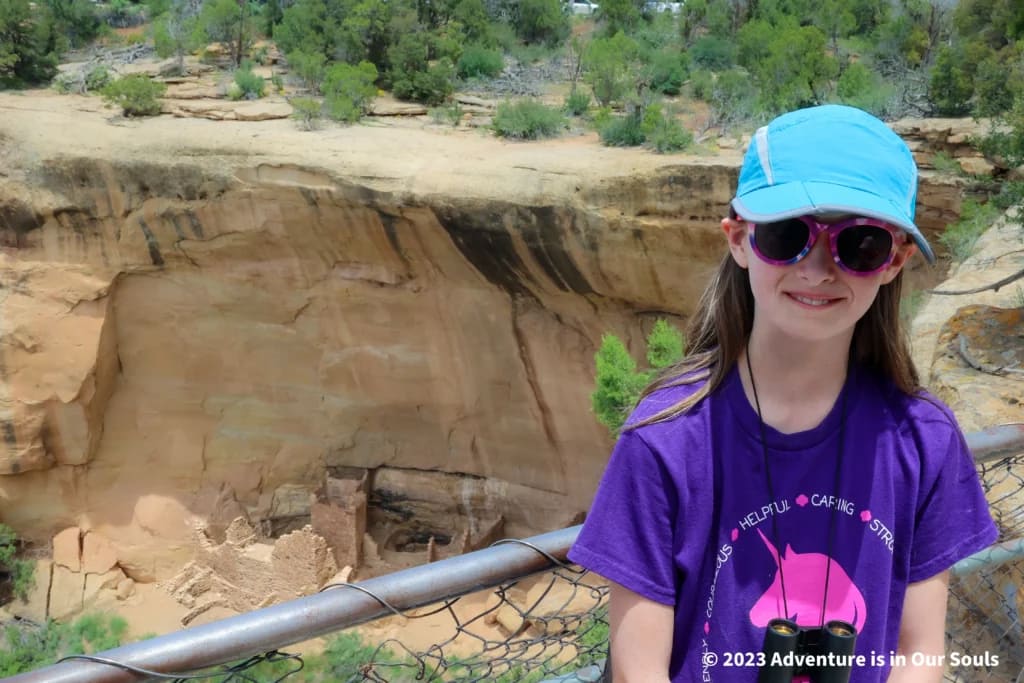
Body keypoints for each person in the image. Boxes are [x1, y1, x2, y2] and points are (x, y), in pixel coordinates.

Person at [568, 104, 999, 683]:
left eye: (860, 245)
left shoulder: (923, 441)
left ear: (893, 260)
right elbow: (637, 670)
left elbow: (918, 655)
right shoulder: (667, 440)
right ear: (740, 240)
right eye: (787, 234)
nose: (819, 269)